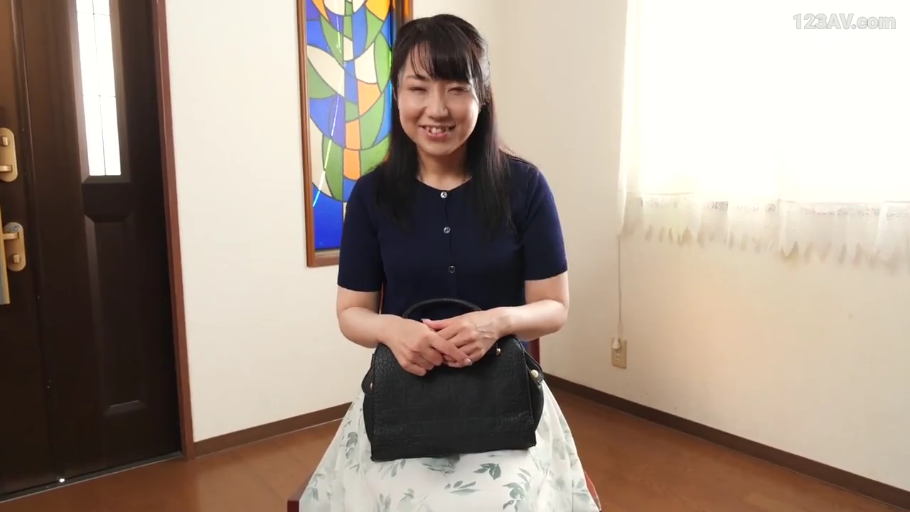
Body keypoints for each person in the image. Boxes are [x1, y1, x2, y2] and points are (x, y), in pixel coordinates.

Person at [300, 13, 599, 512]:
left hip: (505, 396)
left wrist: (495, 323)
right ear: (397, 95)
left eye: (456, 89)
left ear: (483, 97)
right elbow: (351, 312)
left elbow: (554, 307)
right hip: (402, 396)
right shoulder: (372, 195)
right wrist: (394, 331)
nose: (436, 109)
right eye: (418, 88)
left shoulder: (525, 187)